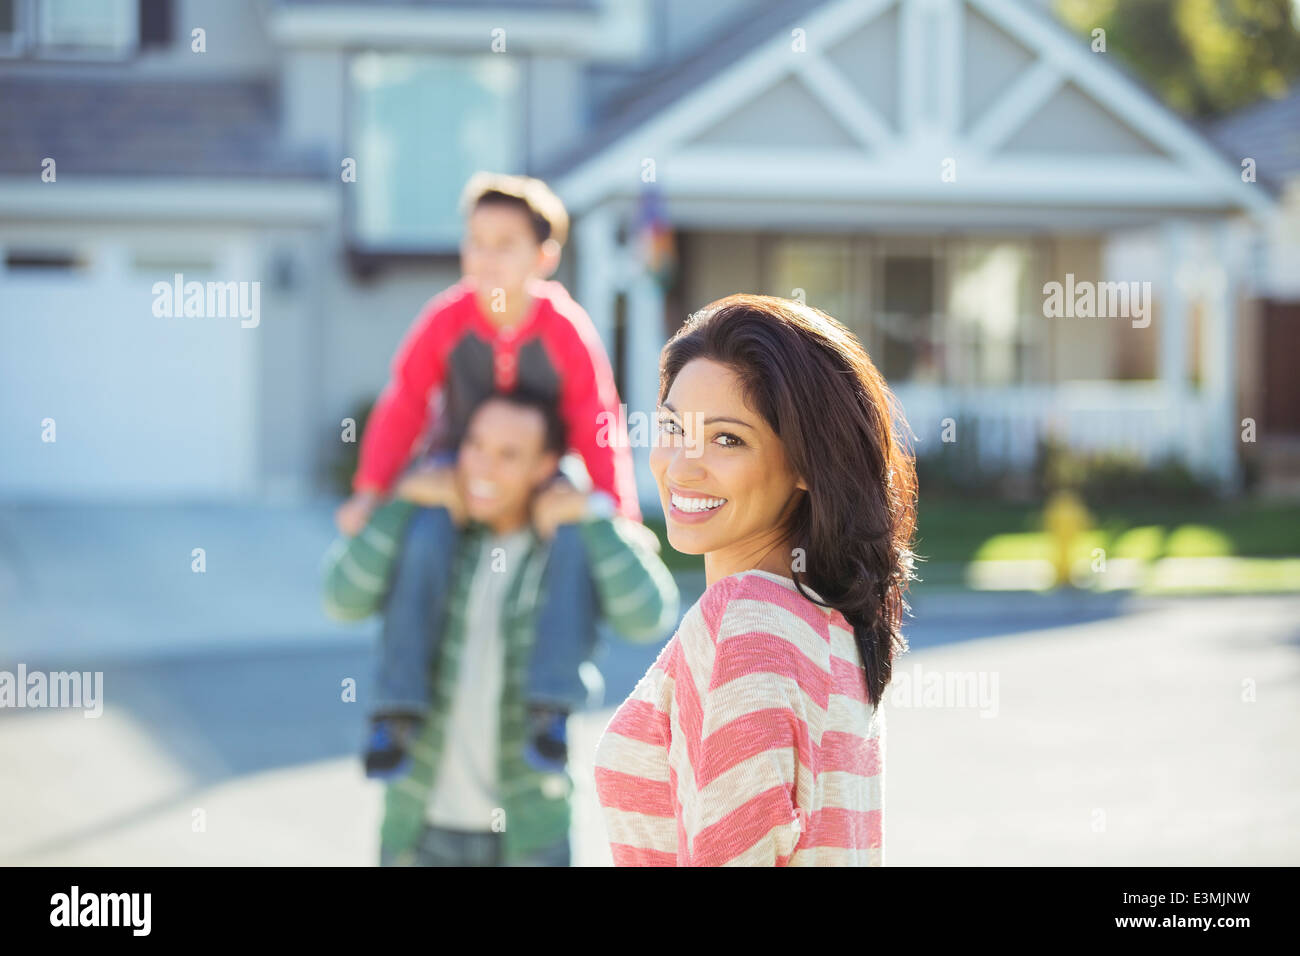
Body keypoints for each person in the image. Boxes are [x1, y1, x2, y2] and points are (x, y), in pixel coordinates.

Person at [333, 172, 641, 778]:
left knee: (573, 544)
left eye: (506, 244)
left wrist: (617, 509)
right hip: (460, 468)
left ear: (543, 257)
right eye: (476, 241)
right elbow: (405, 403)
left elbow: (595, 414)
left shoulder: (564, 328)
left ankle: (550, 705)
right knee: (424, 539)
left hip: (543, 471)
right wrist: (371, 491)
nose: (486, 257)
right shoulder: (447, 319)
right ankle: (397, 707)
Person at [593, 294, 918, 866]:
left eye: (727, 439)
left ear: (803, 464)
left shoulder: (747, 619)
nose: (681, 464)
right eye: (672, 426)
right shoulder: (829, 626)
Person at [373, 388, 678, 866]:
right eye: (475, 446)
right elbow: (340, 598)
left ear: (545, 466)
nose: (483, 468)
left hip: (532, 833)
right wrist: (399, 502)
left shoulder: (567, 544)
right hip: (417, 827)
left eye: (508, 455)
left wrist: (595, 516)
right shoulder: (434, 533)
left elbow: (649, 616)